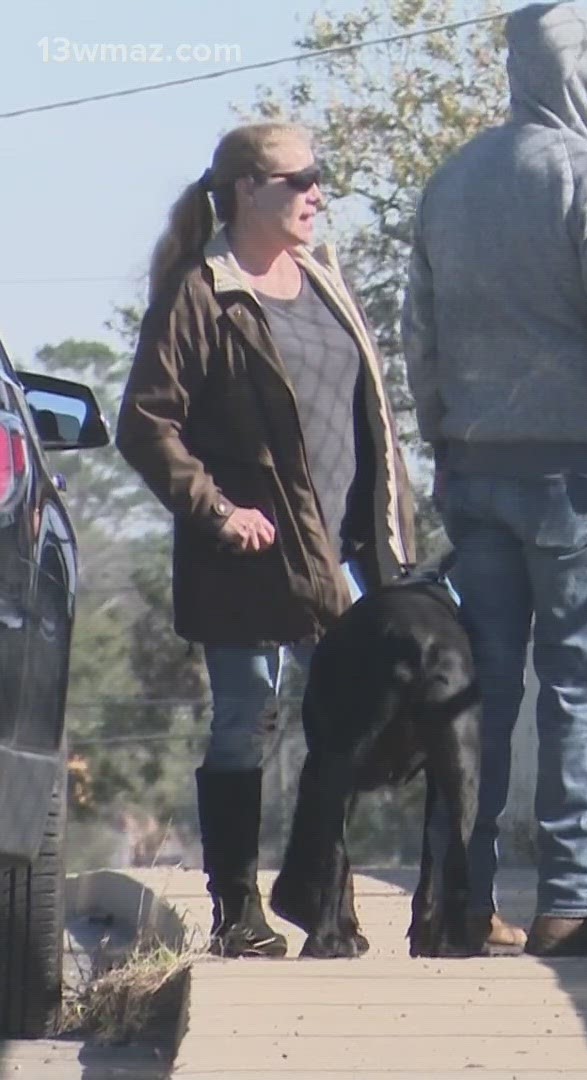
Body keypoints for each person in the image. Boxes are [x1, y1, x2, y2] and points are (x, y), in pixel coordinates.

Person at [402, 0, 587, 957]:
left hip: (474, 474)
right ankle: (570, 899)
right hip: (574, 477)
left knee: (477, 690)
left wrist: (441, 437)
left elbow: (421, 337)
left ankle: (461, 900)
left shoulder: (453, 182)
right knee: (579, 687)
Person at [117, 121, 417, 957]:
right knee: (246, 719)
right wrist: (216, 509)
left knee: (346, 725)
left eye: (321, 178)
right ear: (248, 189)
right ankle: (236, 908)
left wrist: (392, 529)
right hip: (246, 558)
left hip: (342, 555)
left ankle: (326, 902)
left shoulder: (325, 280)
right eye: (300, 178)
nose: (317, 192)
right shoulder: (200, 290)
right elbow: (145, 424)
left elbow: (369, 421)